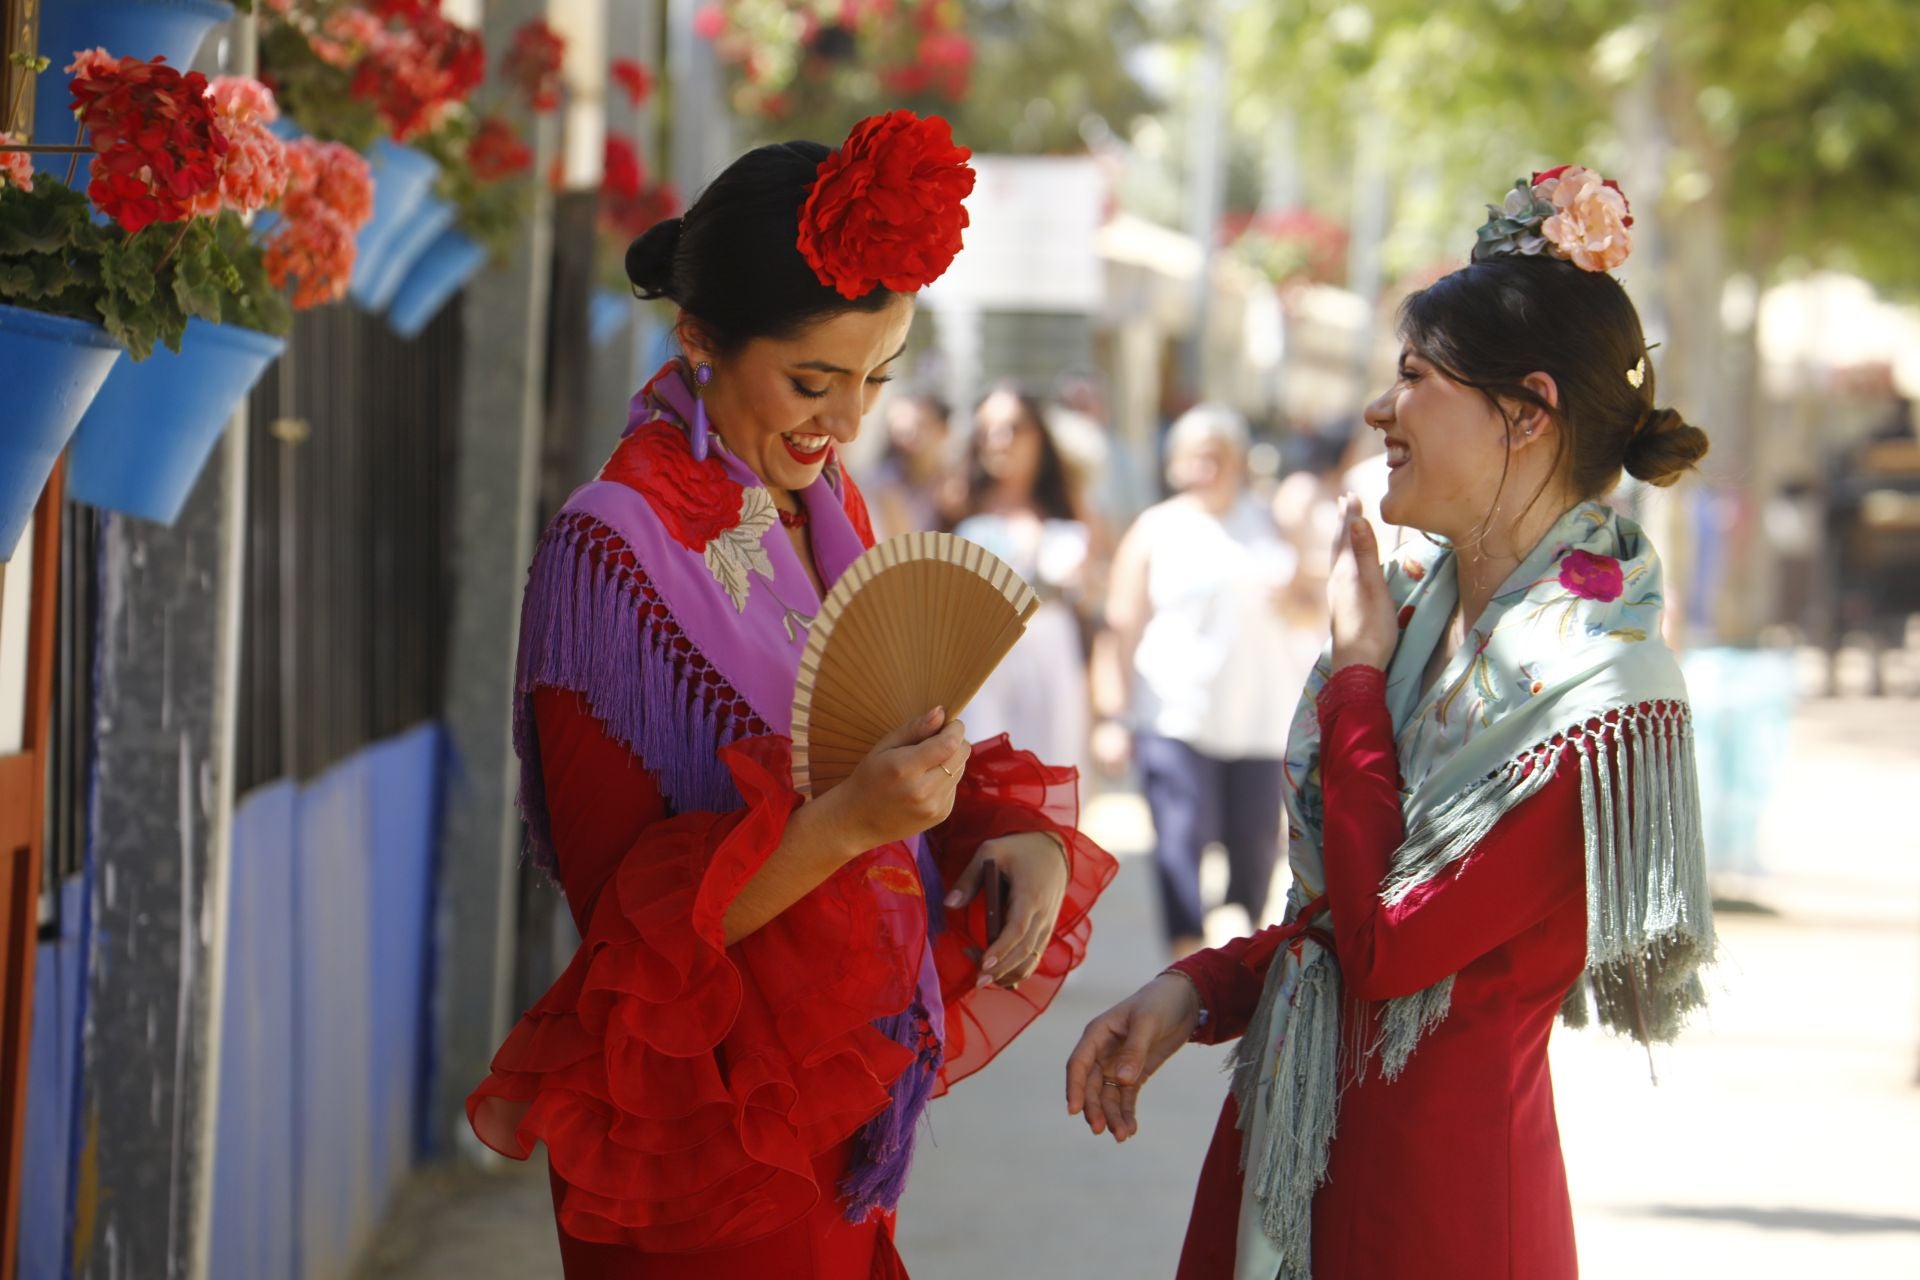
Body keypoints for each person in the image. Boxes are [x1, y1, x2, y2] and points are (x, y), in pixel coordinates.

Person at [466, 111, 1117, 1280]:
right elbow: (626, 926)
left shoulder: (826, 511)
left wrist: (1004, 827)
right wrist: (850, 825)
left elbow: (892, 740)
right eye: (813, 379)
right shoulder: (610, 550)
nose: (849, 420)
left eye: (875, 377)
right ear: (699, 338)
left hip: (838, 1104)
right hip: (695, 1136)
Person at [1065, 165, 1716, 1279]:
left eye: (1413, 377)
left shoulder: (1598, 694)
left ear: (1526, 412)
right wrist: (1200, 987)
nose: (1378, 410)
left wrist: (1355, 680)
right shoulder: (1421, 613)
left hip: (1444, 1214)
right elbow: (1334, 919)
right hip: (1293, 1147)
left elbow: (1389, 946)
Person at [1092, 404, 1307, 958]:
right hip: (1173, 714)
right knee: (1179, 841)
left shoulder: (1269, 521)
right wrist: (1112, 717)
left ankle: (1237, 953)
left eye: (1218, 457)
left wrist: (1300, 594)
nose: (1206, 468)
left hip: (1259, 720)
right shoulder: (1156, 528)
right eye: (1195, 457)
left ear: (1238, 462)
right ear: (1176, 464)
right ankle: (1184, 958)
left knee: (1256, 850)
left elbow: (1315, 605)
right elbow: (1118, 625)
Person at [951, 386, 1095, 776]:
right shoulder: (955, 503)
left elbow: (1095, 599)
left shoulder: (1067, 506)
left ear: (1039, 436)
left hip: (1052, 655)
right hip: (980, 662)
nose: (1001, 442)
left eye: (1014, 428)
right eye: (988, 431)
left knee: (1051, 769)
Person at [868, 392, 953, 537]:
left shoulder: (956, 485)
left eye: (920, 425)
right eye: (898, 430)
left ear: (943, 429)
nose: (907, 437)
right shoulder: (881, 483)